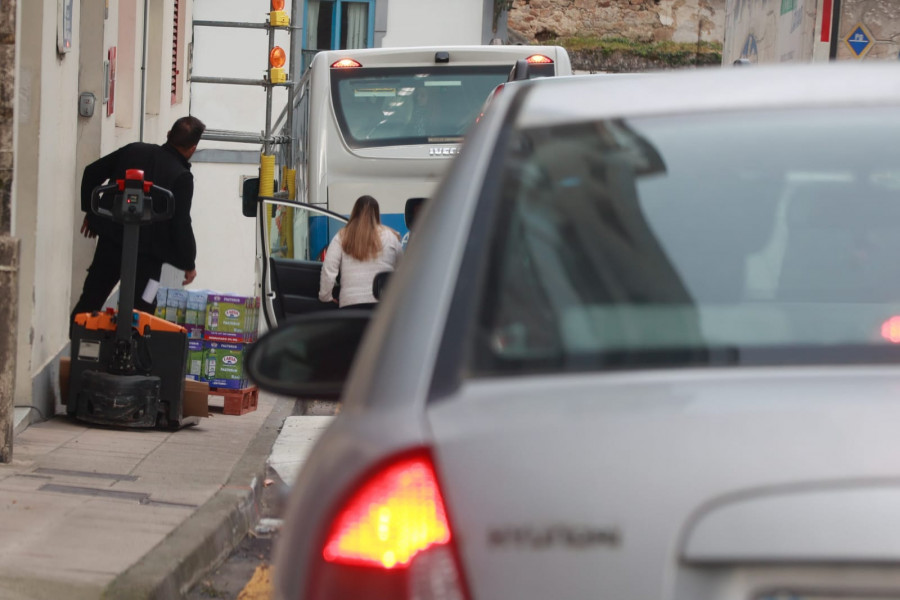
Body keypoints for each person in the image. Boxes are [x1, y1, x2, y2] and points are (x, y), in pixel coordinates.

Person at [71, 116, 206, 326]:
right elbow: (181, 224)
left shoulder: (134, 150)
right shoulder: (181, 177)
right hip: (150, 260)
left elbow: (92, 172)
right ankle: (133, 356)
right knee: (144, 311)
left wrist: (92, 213)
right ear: (193, 148)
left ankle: (80, 350)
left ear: (168, 135)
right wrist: (188, 263)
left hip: (111, 244)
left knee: (91, 300)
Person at [319, 195, 402, 309]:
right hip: (382, 307)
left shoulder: (342, 236)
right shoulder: (391, 237)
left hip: (350, 305)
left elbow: (329, 269)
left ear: (355, 212)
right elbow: (402, 270)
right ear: (377, 213)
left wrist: (325, 297)